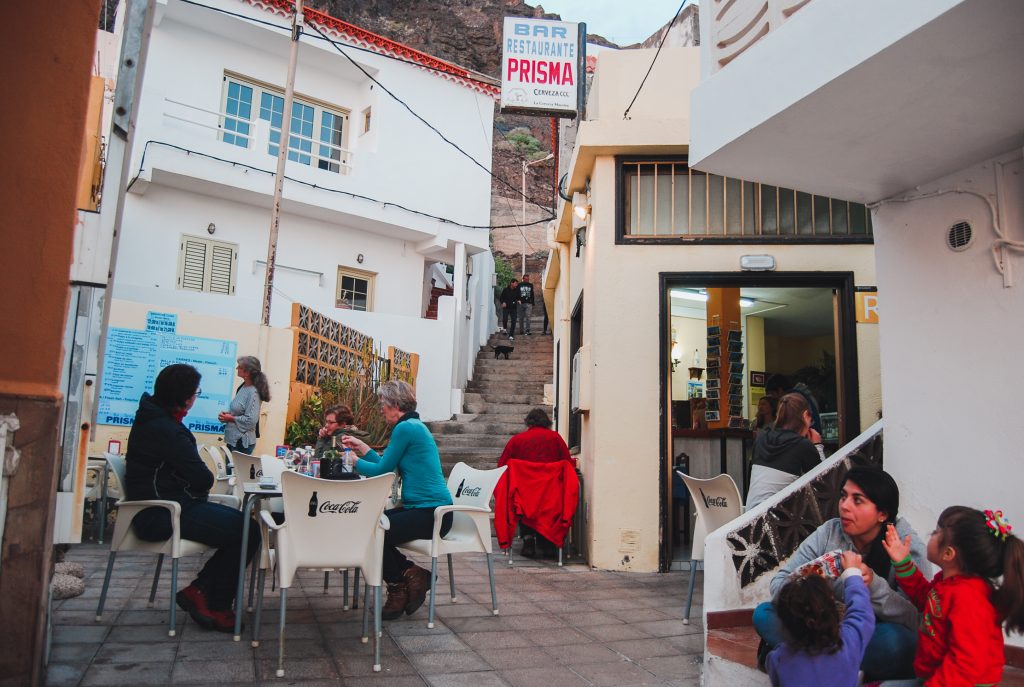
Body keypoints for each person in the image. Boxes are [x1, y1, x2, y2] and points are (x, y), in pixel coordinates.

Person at [753, 465, 927, 681]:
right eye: (843, 496)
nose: (844, 506)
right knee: (763, 614)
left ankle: (804, 660)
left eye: (857, 500)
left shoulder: (905, 546)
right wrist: (811, 582)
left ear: (882, 514)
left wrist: (873, 585)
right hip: (822, 632)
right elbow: (780, 583)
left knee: (897, 642)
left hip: (870, 635)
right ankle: (842, 667)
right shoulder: (829, 532)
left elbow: (917, 618)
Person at [125, 363, 260, 632]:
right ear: (185, 397)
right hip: (160, 513)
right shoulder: (167, 430)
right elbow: (203, 478)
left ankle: (200, 591)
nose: (195, 397)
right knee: (248, 530)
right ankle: (215, 603)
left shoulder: (154, 420)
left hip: (170, 504)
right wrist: (191, 485)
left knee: (246, 526)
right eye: (195, 391)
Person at [341, 380, 452, 621]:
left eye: (382, 403)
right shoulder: (412, 426)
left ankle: (400, 583)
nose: (380, 409)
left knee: (372, 529)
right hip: (424, 510)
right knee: (369, 526)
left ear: (395, 404)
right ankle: (410, 576)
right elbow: (386, 465)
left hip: (432, 513)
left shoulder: (406, 429)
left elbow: (381, 471)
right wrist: (361, 447)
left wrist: (351, 460)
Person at [877, 507, 1024, 686]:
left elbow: (965, 665)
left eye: (935, 532)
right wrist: (902, 562)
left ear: (948, 553)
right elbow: (926, 599)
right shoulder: (948, 582)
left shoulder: (968, 598)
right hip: (936, 674)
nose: (930, 535)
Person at [767, 552, 876, 687]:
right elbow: (861, 612)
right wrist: (852, 573)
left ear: (784, 622)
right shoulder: (848, 643)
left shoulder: (777, 659)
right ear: (832, 610)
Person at [497, 408, 575, 559]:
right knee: (551, 499)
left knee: (520, 500)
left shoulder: (517, 440)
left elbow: (502, 467)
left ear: (528, 423)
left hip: (525, 498)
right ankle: (548, 541)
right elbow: (568, 466)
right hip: (551, 496)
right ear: (547, 423)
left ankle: (528, 539)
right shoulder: (555, 438)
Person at [745, 393, 821, 510]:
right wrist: (817, 445)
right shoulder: (802, 445)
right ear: (806, 416)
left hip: (749, 515)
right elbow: (822, 483)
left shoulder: (762, 437)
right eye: (810, 420)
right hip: (776, 522)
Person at [219, 355, 270, 455]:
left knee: (236, 471)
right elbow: (241, 409)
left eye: (240, 367)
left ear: (248, 372)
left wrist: (231, 418)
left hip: (241, 443)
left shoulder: (254, 392)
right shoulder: (243, 386)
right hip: (234, 440)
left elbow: (251, 420)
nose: (237, 368)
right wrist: (229, 414)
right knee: (230, 470)